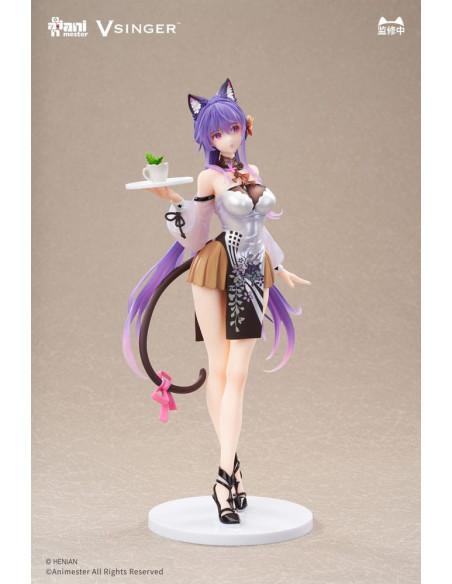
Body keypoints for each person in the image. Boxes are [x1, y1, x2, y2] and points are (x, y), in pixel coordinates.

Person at [123, 79, 310, 525]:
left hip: (252, 272)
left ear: (244, 127)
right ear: (207, 138)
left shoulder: (252, 170)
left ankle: (227, 473)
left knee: (238, 374)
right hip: (213, 267)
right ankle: (228, 476)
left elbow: (260, 226)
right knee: (220, 367)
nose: (228, 137)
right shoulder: (210, 177)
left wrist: (280, 265)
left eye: (233, 128)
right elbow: (197, 234)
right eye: (218, 132)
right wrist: (174, 202)